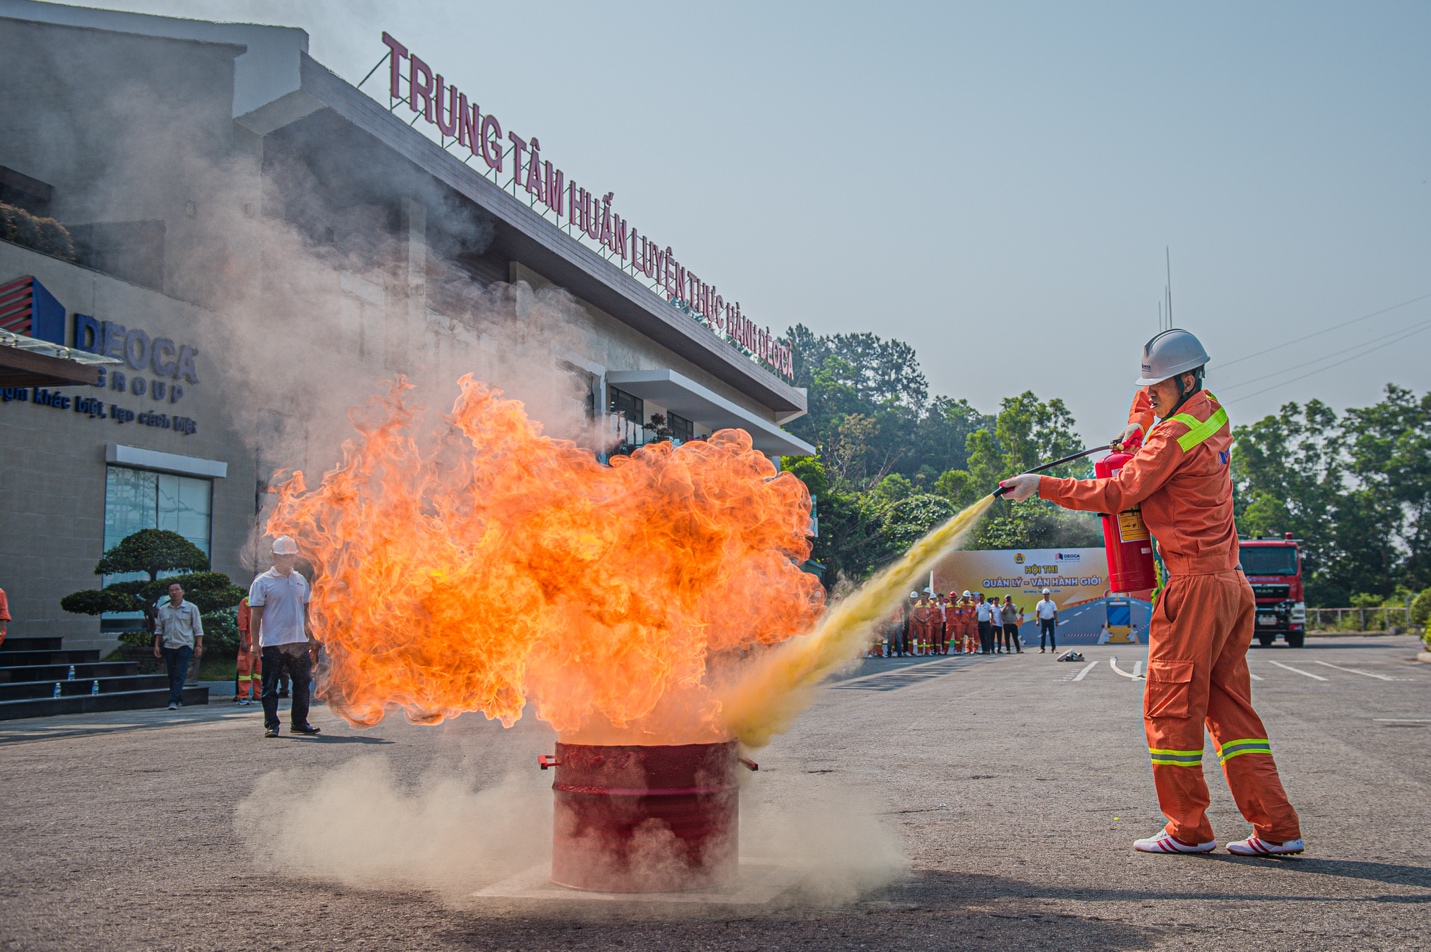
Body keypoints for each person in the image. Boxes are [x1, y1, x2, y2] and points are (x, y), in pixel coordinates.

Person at [1000, 328, 1304, 856]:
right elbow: (1150, 405)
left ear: (1185, 378)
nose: (1151, 395)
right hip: (1231, 583)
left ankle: (1188, 830)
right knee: (1232, 713)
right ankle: (1277, 829)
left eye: (1160, 387)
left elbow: (1118, 493)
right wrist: (1135, 427)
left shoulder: (1168, 439)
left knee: (1170, 707)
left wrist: (1041, 485)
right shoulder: (1209, 412)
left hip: (1192, 588)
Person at [249, 535, 321, 738]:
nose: (286, 560)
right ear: (273, 556)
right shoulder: (262, 582)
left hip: (298, 641)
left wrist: (311, 636)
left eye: (290, 556)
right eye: (281, 556)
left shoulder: (300, 580)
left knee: (302, 683)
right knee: (269, 685)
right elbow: (256, 615)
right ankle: (272, 724)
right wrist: (255, 643)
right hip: (273, 642)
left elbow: (306, 612)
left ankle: (299, 722)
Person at [152, 581, 203, 710]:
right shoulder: (163, 609)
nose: (174, 593)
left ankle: (173, 700)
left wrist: (199, 645)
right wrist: (157, 645)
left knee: (180, 672)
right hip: (169, 645)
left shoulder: (191, 608)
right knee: (171, 673)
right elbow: (159, 629)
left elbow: (198, 628)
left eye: (177, 589)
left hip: (184, 644)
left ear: (183, 591)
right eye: (171, 590)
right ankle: (178, 698)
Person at [234, 595, 261, 706]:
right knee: (245, 669)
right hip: (249, 642)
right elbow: (242, 622)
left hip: (262, 642)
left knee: (260, 672)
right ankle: (243, 695)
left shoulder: (267, 599)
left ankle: (258, 695)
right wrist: (243, 640)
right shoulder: (246, 601)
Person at [1036, 588, 1059, 653]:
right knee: (1043, 635)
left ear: (1049, 595)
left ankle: (1054, 649)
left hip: (1051, 620)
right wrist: (1037, 620)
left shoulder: (1052, 603)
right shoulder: (1040, 603)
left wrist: (1057, 620)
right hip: (1043, 620)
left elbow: (1055, 612)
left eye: (1046, 595)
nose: (1045, 596)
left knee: (1052, 635)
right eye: (1044, 595)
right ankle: (1042, 648)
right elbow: (1037, 612)